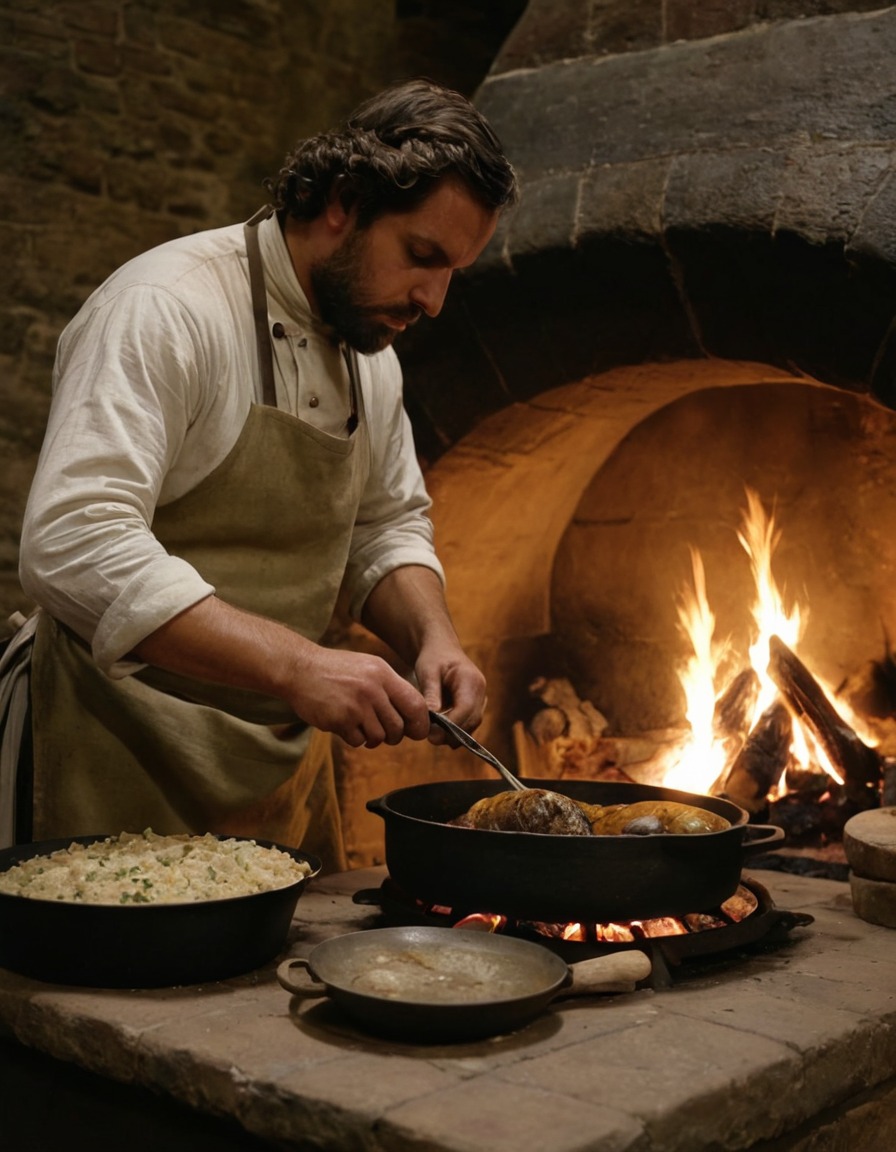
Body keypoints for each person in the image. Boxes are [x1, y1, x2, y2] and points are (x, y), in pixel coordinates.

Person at [1, 79, 519, 869]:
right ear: (343, 200)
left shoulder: (368, 350)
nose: (435, 300)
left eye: (454, 271)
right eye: (422, 257)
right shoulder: (166, 308)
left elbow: (385, 527)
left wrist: (433, 636)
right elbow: (74, 540)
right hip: (110, 749)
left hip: (273, 775)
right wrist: (300, 666)